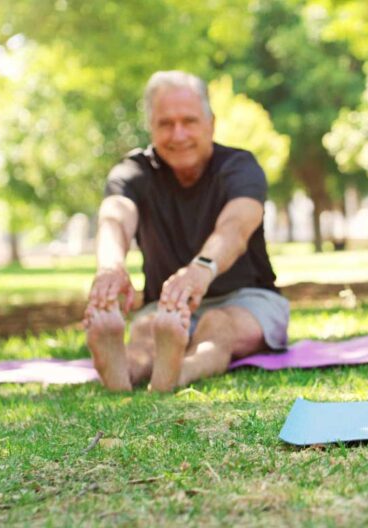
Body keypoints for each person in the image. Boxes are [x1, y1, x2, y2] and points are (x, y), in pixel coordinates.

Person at [84, 71, 289, 392]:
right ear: (151, 127)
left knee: (217, 326)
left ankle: (177, 373)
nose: (178, 134)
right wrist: (110, 267)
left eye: (189, 121)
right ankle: (122, 371)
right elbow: (116, 218)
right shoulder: (133, 171)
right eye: (165, 124)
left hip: (245, 298)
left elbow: (235, 227)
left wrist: (200, 270)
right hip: (166, 308)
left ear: (211, 123)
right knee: (148, 334)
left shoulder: (239, 166)